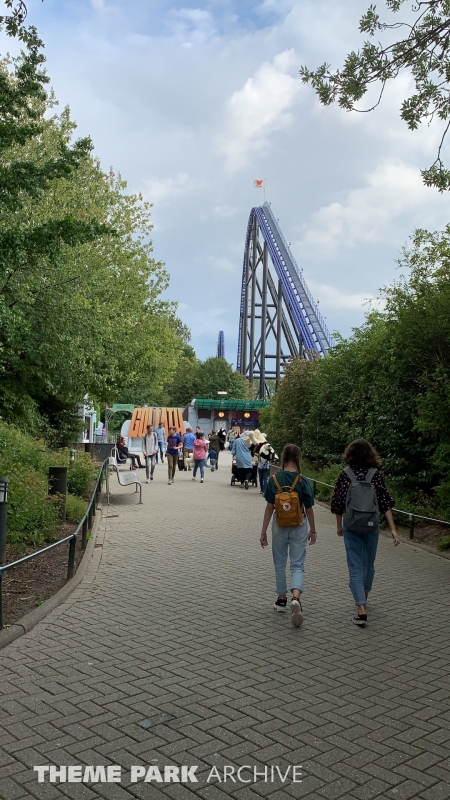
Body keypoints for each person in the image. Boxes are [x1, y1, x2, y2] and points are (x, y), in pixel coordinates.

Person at [331, 438, 399, 627]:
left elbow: (337, 503)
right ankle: (364, 593)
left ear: (349, 455)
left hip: (351, 525)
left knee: (354, 565)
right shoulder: (375, 475)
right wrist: (393, 529)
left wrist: (338, 526)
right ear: (370, 454)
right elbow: (385, 503)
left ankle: (361, 609)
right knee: (368, 564)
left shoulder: (345, 475)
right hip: (371, 526)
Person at [260, 444, 316, 626]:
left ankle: (281, 599)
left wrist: (263, 532)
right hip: (299, 525)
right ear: (298, 459)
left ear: (283, 458)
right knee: (298, 564)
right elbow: (309, 508)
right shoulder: (302, 480)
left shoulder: (274, 479)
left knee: (279, 562)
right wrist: (313, 530)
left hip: (279, 525)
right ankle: (296, 598)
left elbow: (269, 507)